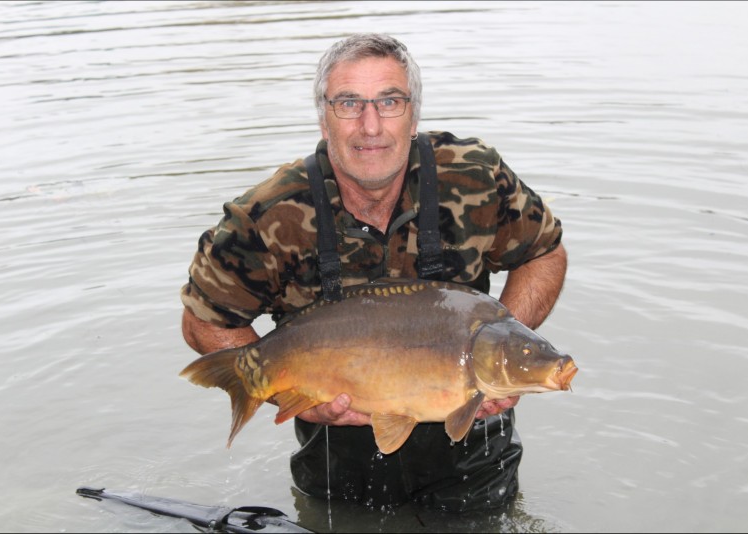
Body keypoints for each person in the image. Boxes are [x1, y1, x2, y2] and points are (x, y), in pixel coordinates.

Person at [180, 33, 567, 512]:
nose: (371, 125)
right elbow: (202, 321)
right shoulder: (267, 215)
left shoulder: (475, 175)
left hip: (476, 458)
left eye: (389, 101)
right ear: (323, 119)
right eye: (348, 103)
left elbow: (545, 253)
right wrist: (289, 396)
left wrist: (497, 346)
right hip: (336, 461)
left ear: (413, 115)